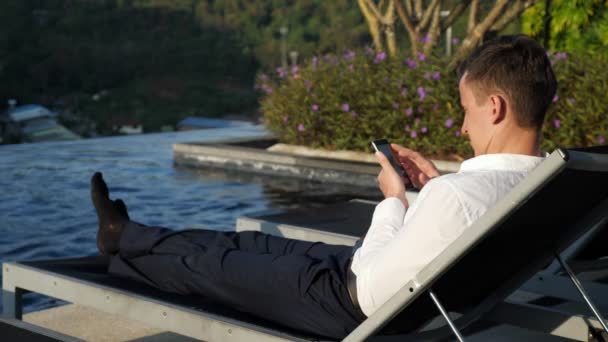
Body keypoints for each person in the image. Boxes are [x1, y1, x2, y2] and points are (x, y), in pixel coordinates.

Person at [90, 34, 557, 339]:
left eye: (466, 110)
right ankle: (125, 234)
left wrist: (395, 200)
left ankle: (123, 251)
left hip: (344, 302)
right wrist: (432, 188)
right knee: (249, 242)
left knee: (216, 263)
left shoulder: (458, 196)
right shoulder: (544, 183)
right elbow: (459, 224)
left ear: (495, 108)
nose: (461, 128)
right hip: (373, 279)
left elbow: (374, 292)